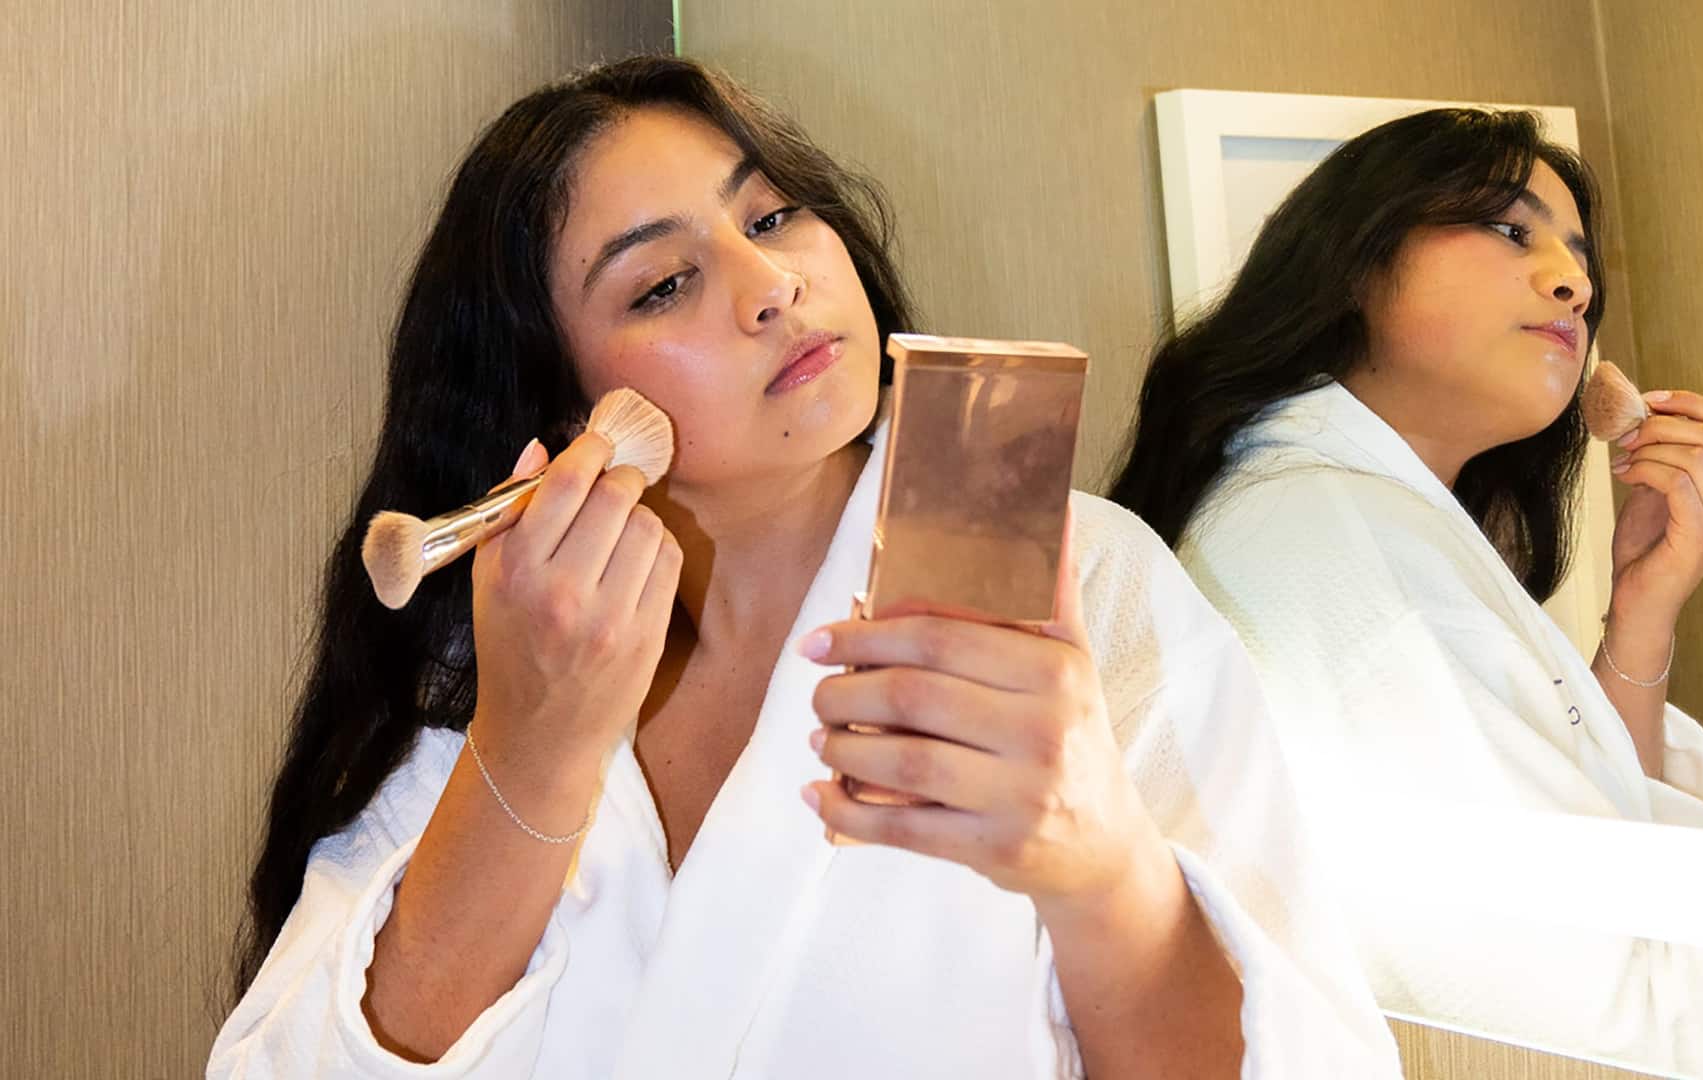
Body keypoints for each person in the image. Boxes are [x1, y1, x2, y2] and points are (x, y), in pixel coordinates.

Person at [210, 55, 1400, 1078]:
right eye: (665, 282)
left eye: (773, 217)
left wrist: (1104, 871)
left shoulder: (1083, 582)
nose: (772, 284)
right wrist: (530, 752)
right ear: (559, 403)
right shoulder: (494, 656)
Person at [1109, 107, 1703, 1078]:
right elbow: (1632, 1038)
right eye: (1509, 230)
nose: (1572, 280)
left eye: (1578, 258)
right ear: (1354, 259)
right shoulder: (1322, 545)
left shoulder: (1354, 517)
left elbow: (1599, 862)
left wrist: (1644, 610)